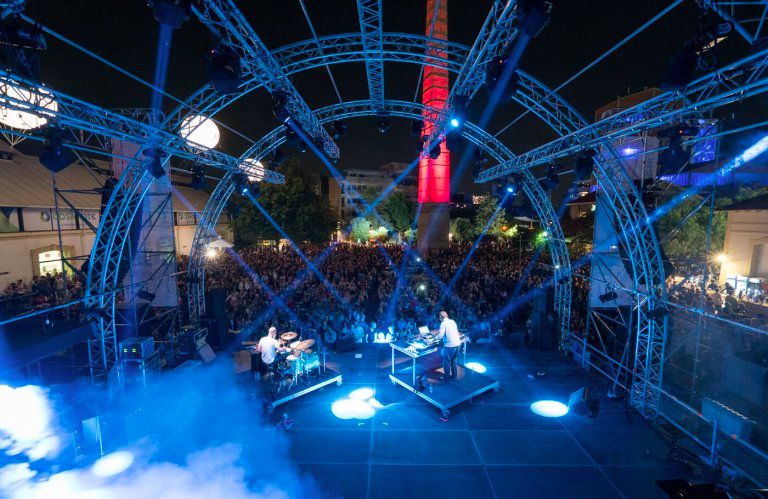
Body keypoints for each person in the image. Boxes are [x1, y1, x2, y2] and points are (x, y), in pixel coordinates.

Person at [435, 310, 461, 382]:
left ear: (440, 317)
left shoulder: (443, 323)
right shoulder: (452, 321)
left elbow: (440, 335)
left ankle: (446, 379)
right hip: (458, 344)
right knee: (454, 361)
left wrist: (434, 338)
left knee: (447, 363)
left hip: (450, 346)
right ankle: (454, 377)